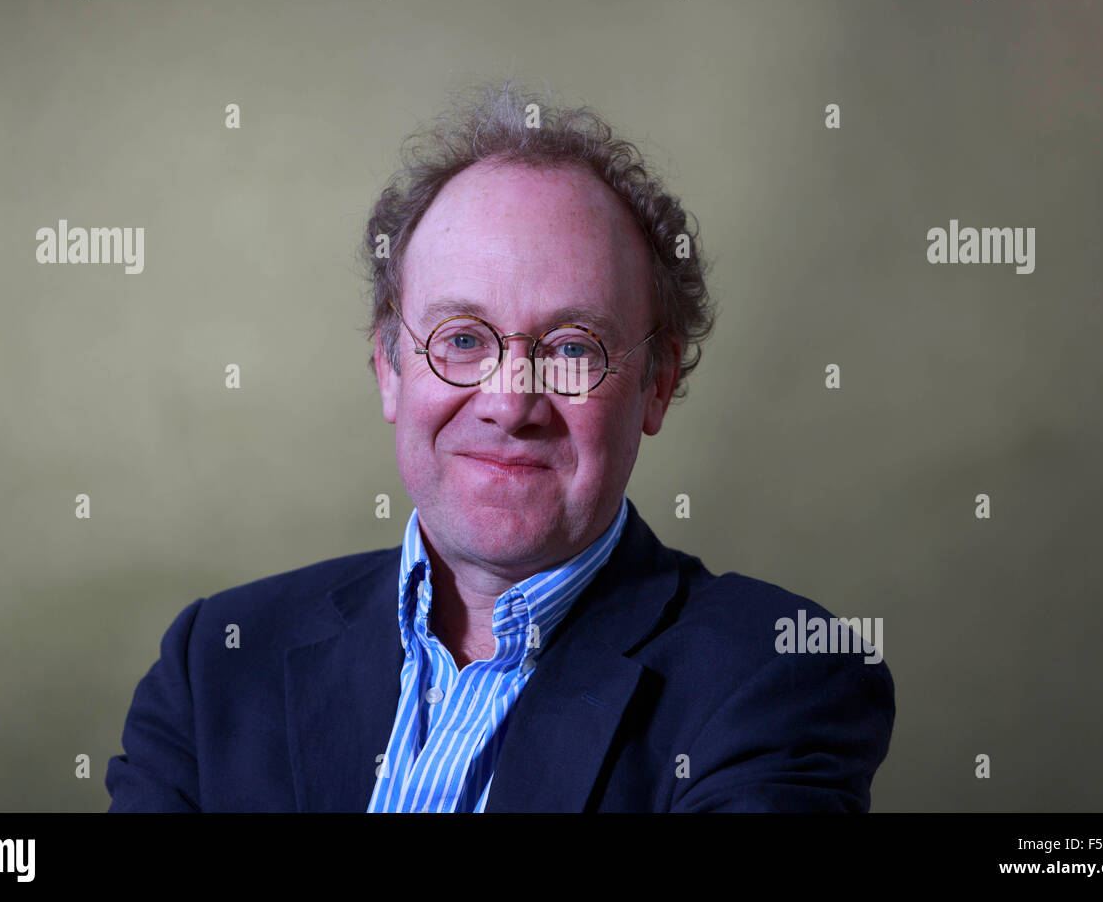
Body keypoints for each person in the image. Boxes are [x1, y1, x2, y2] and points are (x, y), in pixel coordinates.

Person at [106, 79, 895, 812]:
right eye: (460, 339)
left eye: (574, 348)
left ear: (656, 385)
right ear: (388, 368)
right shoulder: (216, 664)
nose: (511, 400)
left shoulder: (779, 677)